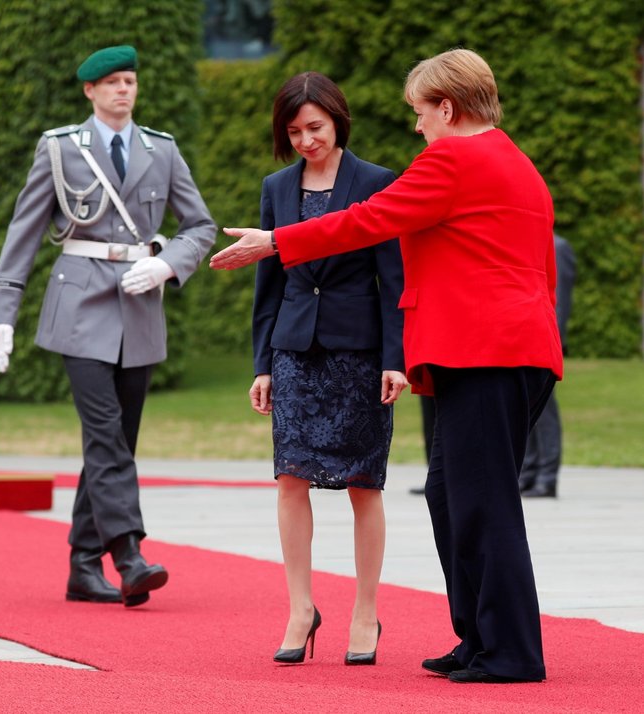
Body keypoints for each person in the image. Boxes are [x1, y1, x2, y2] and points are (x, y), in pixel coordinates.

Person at [210, 49, 563, 683]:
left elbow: (373, 220)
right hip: (504, 349)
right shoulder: (512, 159)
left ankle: (510, 651)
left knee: (483, 502)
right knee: (452, 493)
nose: (417, 127)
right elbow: (540, 265)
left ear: (447, 108)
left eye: (421, 113)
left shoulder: (454, 158)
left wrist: (278, 241)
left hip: (488, 352)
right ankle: (479, 638)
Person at [0, 45, 216, 607]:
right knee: (107, 433)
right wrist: (3, 312)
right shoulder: (62, 148)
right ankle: (129, 554)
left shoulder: (160, 150)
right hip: (80, 305)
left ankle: (83, 565)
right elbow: (24, 231)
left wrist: (167, 262)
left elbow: (200, 224)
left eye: (130, 80)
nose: (123, 90)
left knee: (116, 441)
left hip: (138, 307)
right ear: (89, 90)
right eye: (111, 82)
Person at [248, 72, 407, 666]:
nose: (306, 139)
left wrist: (396, 359)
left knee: (364, 485)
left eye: (315, 127)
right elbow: (268, 284)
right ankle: (300, 609)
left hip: (358, 355)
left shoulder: (376, 182)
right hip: (293, 354)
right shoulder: (276, 186)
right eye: (294, 131)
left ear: (338, 119)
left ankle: (366, 612)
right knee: (291, 479)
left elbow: (394, 279)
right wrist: (263, 363)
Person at [520, 234, 576, 498]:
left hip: (543, 341)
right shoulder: (522, 242)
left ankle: (547, 476)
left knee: (545, 412)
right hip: (524, 340)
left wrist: (553, 339)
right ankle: (528, 472)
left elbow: (560, 302)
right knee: (524, 408)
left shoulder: (557, 246)